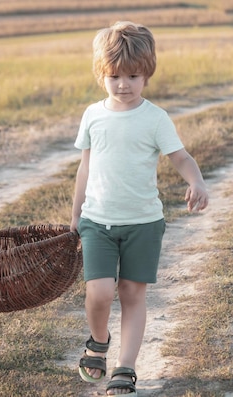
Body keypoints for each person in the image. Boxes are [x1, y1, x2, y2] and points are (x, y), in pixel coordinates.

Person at [70, 21, 208, 396]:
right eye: (114, 76)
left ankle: (125, 367)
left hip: (144, 223)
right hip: (97, 221)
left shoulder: (154, 118)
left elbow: (180, 157)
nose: (124, 84)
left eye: (133, 75)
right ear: (102, 75)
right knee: (98, 292)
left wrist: (195, 181)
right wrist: (76, 214)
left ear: (147, 74)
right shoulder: (93, 115)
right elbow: (85, 167)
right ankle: (99, 343)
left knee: (133, 294)